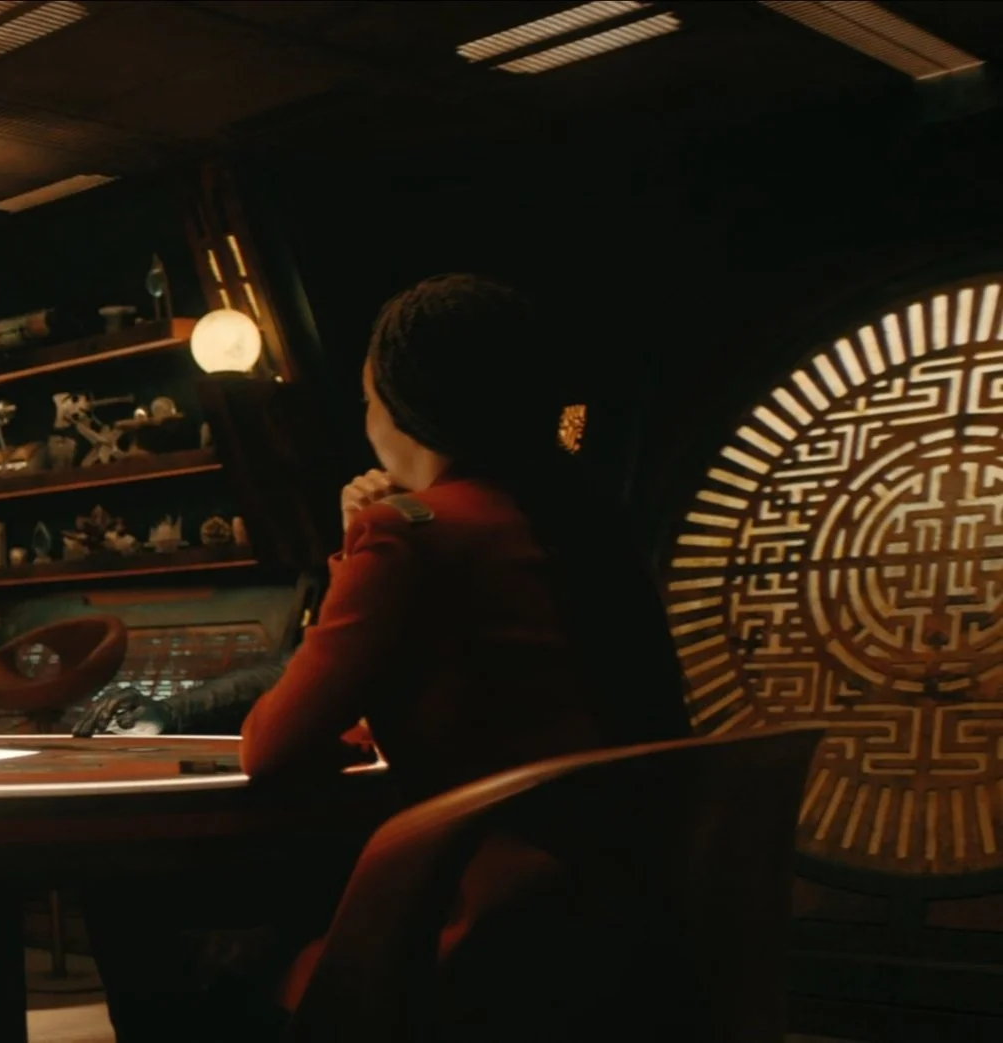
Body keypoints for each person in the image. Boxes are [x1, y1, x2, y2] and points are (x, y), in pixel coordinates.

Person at [88, 275, 691, 1041]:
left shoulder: (410, 532)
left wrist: (362, 542)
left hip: (470, 932)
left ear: (404, 408)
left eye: (368, 399)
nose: (368, 420)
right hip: (610, 923)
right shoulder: (586, 525)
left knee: (129, 893)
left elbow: (270, 745)